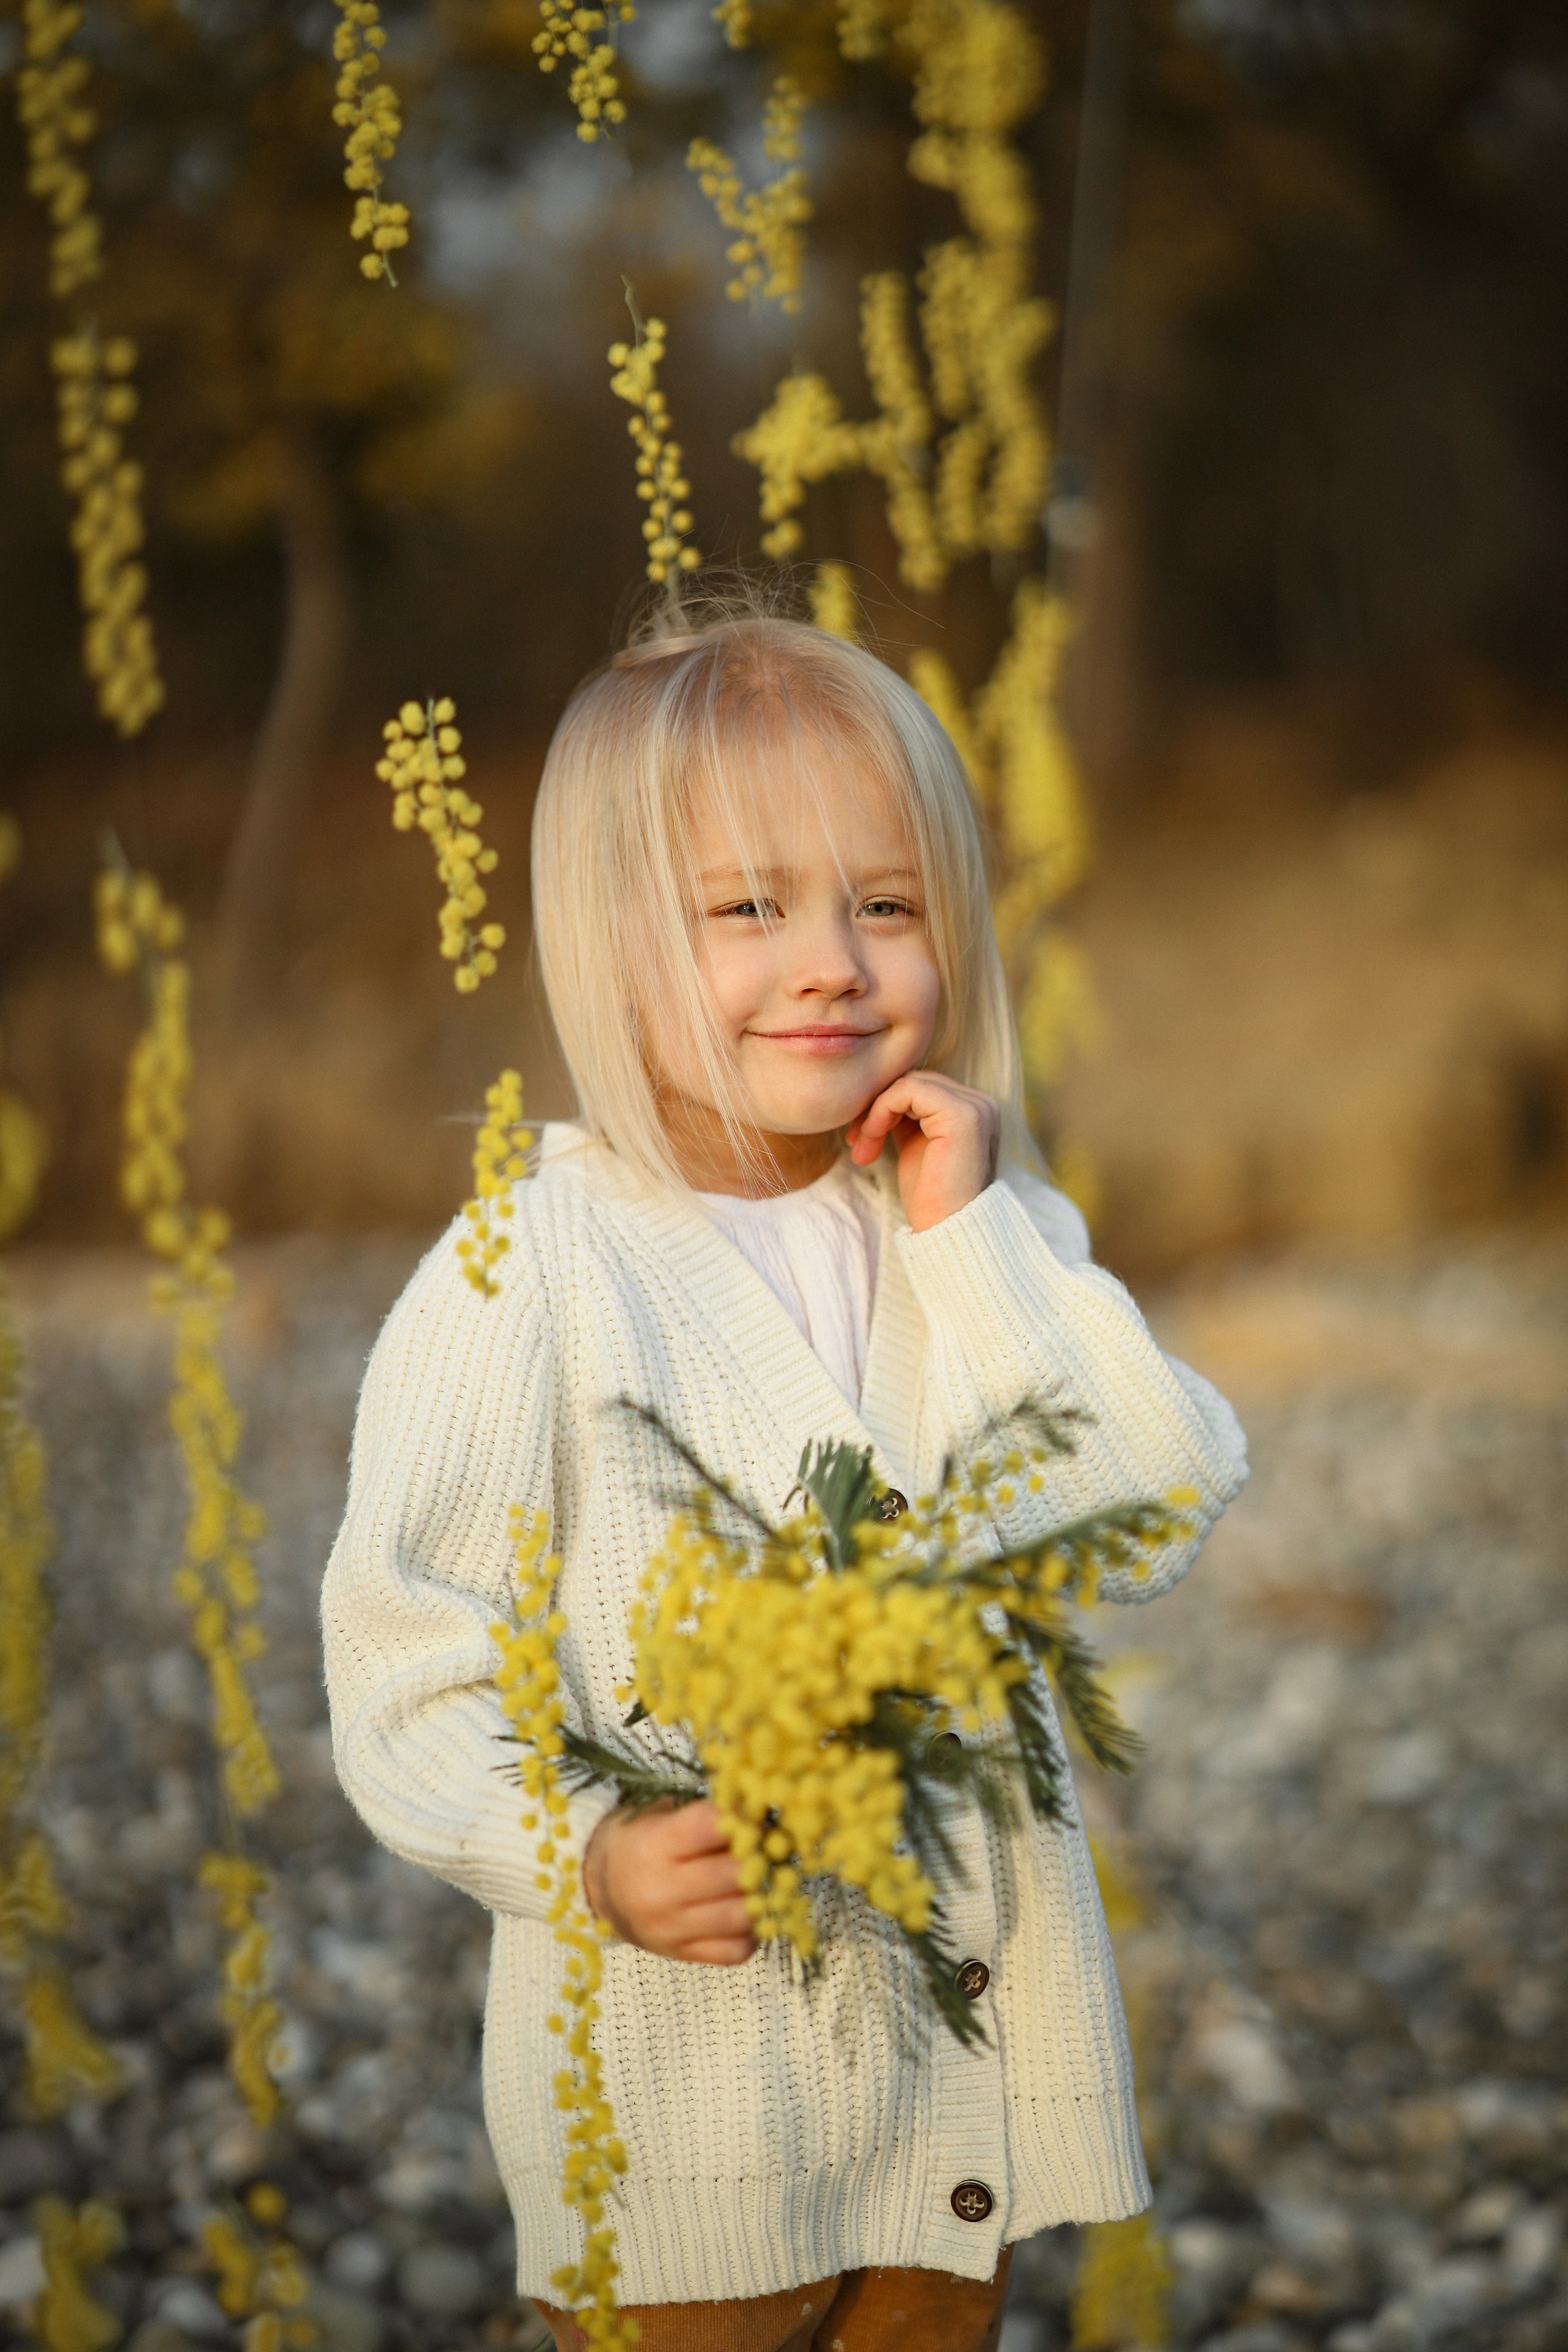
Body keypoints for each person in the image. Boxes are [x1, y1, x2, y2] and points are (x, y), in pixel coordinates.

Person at [321, 588, 1249, 2352]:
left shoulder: (967, 1228)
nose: (831, 959)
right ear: (613, 945)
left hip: (961, 2083)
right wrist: (582, 1850)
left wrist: (977, 1246)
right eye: (747, 909)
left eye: (884, 904)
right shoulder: (535, 1274)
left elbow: (1161, 1498)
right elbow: (404, 1658)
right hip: (689, 2115)